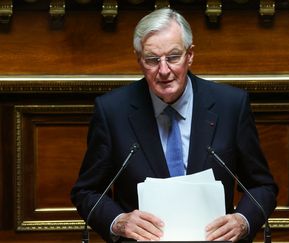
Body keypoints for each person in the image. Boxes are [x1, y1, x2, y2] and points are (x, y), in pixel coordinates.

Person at [70, 8, 278, 243]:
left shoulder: (230, 105)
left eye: (173, 57)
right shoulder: (112, 111)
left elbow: (263, 186)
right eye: (152, 60)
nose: (164, 70)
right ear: (139, 60)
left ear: (190, 55)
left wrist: (242, 221)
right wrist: (118, 221)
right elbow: (86, 192)